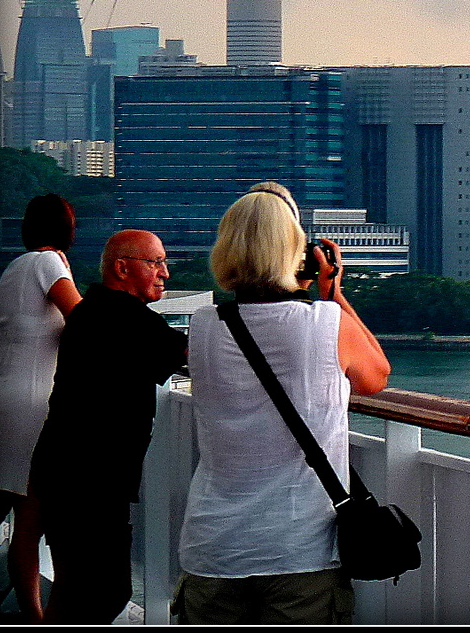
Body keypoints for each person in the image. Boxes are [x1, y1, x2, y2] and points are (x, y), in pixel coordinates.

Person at [173, 184, 390, 625]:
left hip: (214, 547)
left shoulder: (203, 326)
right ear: (295, 252)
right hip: (299, 551)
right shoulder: (325, 323)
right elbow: (375, 377)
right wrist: (331, 290)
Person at [28, 229, 187, 625]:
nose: (164, 272)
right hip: (91, 482)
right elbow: (194, 354)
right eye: (155, 262)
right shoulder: (126, 318)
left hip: (63, 472)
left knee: (75, 587)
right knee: (105, 590)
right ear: (122, 267)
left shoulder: (91, 312)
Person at [0, 195, 83, 623]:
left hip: (0, 397)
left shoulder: (14, 267)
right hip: (32, 403)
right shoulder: (48, 264)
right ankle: (34, 615)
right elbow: (82, 320)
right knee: (30, 519)